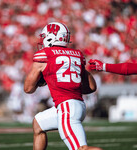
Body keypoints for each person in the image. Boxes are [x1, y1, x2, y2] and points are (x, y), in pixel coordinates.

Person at [24, 22, 102, 150]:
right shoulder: (77, 55)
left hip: (66, 107)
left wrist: (41, 80)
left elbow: (28, 89)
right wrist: (70, 85)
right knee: (38, 123)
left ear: (51, 37)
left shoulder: (45, 55)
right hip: (77, 105)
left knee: (81, 149)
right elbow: (92, 87)